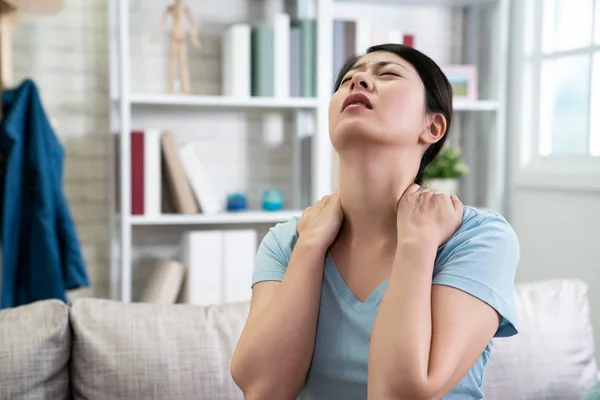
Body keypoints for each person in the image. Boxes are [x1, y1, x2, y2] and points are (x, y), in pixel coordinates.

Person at [230, 43, 519, 400]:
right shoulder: (287, 241)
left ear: (432, 126)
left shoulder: (478, 238)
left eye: (387, 74)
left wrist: (417, 243)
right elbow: (263, 390)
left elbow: (400, 393)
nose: (360, 81)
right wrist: (310, 247)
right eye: (348, 79)